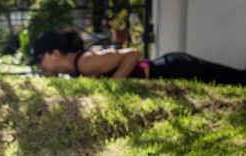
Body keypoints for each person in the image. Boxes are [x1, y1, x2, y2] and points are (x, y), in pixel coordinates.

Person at [29, 29, 246, 86]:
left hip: (171, 68)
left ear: (55, 54)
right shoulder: (78, 67)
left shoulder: (84, 63)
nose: (40, 66)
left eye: (40, 59)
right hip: (169, 69)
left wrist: (114, 86)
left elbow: (132, 54)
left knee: (237, 80)